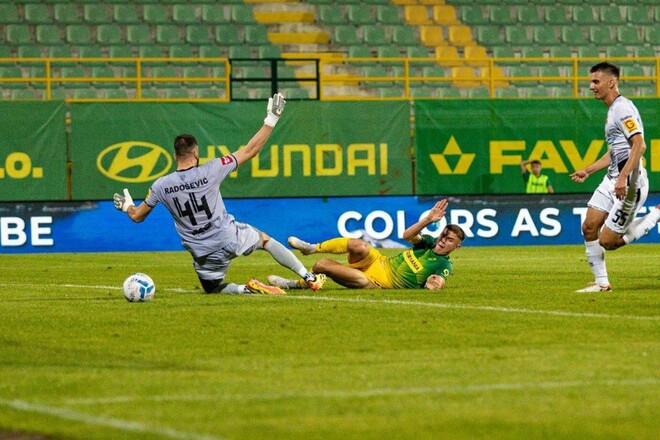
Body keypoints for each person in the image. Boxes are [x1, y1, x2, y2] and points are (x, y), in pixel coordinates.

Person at [113, 93, 325, 296]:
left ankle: (246, 289)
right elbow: (250, 150)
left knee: (212, 288)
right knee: (266, 241)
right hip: (227, 236)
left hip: (202, 251)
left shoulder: (160, 185)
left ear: (174, 154)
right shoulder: (212, 169)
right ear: (195, 153)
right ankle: (308, 276)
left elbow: (137, 216)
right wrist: (272, 118)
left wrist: (126, 206)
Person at [570, 62, 660, 292]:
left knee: (608, 242)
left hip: (629, 184)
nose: (591, 86)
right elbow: (615, 152)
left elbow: (639, 146)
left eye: (595, 82)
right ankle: (602, 284)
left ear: (611, 83)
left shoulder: (622, 109)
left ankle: (656, 215)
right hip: (613, 179)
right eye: (591, 81)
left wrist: (622, 179)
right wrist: (588, 170)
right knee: (589, 226)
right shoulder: (612, 111)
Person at [267, 199, 465, 291]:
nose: (443, 241)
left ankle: (294, 284)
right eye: (443, 236)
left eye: (449, 241)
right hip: (379, 261)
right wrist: (428, 220)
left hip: (375, 282)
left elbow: (438, 283)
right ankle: (311, 248)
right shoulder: (428, 244)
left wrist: (434, 284)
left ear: (456, 248)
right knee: (359, 245)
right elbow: (407, 235)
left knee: (321, 266)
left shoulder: (444, 265)